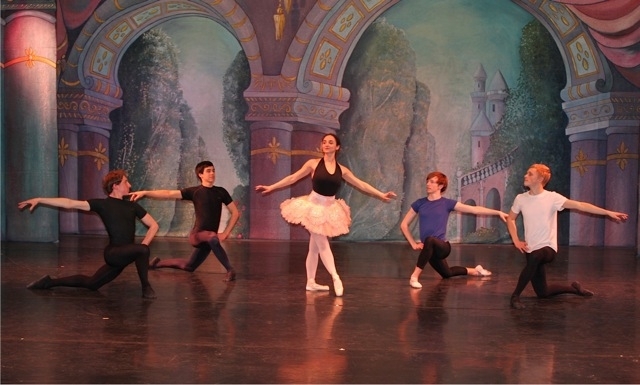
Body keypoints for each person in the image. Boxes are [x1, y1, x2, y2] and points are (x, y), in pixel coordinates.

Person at [255, 133, 396, 297]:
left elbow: (361, 184)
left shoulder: (342, 170)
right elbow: (293, 177)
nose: (326, 144)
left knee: (314, 248)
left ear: (337, 147)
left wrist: (381, 194)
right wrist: (271, 187)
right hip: (313, 207)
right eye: (324, 142)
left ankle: (311, 282)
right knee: (322, 244)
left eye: (331, 142)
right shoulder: (313, 164)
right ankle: (336, 277)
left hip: (330, 208)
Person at [18, 170, 159, 299]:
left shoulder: (132, 206)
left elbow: (153, 225)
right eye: (126, 181)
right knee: (142, 250)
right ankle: (146, 287)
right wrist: (40, 199)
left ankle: (48, 282)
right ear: (115, 185)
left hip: (126, 255)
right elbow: (69, 203)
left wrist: (143, 247)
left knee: (92, 284)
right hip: (114, 253)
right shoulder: (102, 204)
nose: (130, 185)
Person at [507, 163, 628, 309]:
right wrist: (516, 241)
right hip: (530, 248)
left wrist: (607, 212)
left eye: (530, 174)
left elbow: (580, 205)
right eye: (526, 173)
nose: (525, 176)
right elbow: (510, 218)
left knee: (536, 257)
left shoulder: (552, 198)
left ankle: (515, 297)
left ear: (540, 179)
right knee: (543, 293)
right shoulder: (521, 199)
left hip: (548, 248)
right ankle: (575, 289)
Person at [129, 161, 239, 282]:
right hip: (197, 235)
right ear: (200, 175)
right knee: (212, 237)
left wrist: (226, 232)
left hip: (208, 239)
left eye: (213, 170)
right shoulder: (195, 192)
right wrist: (145, 193)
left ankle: (157, 263)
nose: (212, 173)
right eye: (208, 171)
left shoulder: (221, 192)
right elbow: (168, 193)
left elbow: (235, 213)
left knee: (189, 266)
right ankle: (230, 270)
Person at [400, 171, 508, 289]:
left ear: (440, 186)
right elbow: (404, 225)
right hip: (429, 250)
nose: (428, 184)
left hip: (443, 248)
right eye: (427, 181)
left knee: (430, 240)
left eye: (432, 182)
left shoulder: (447, 203)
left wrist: (497, 212)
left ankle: (414, 277)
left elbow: (474, 209)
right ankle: (475, 270)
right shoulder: (419, 203)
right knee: (447, 273)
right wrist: (413, 244)